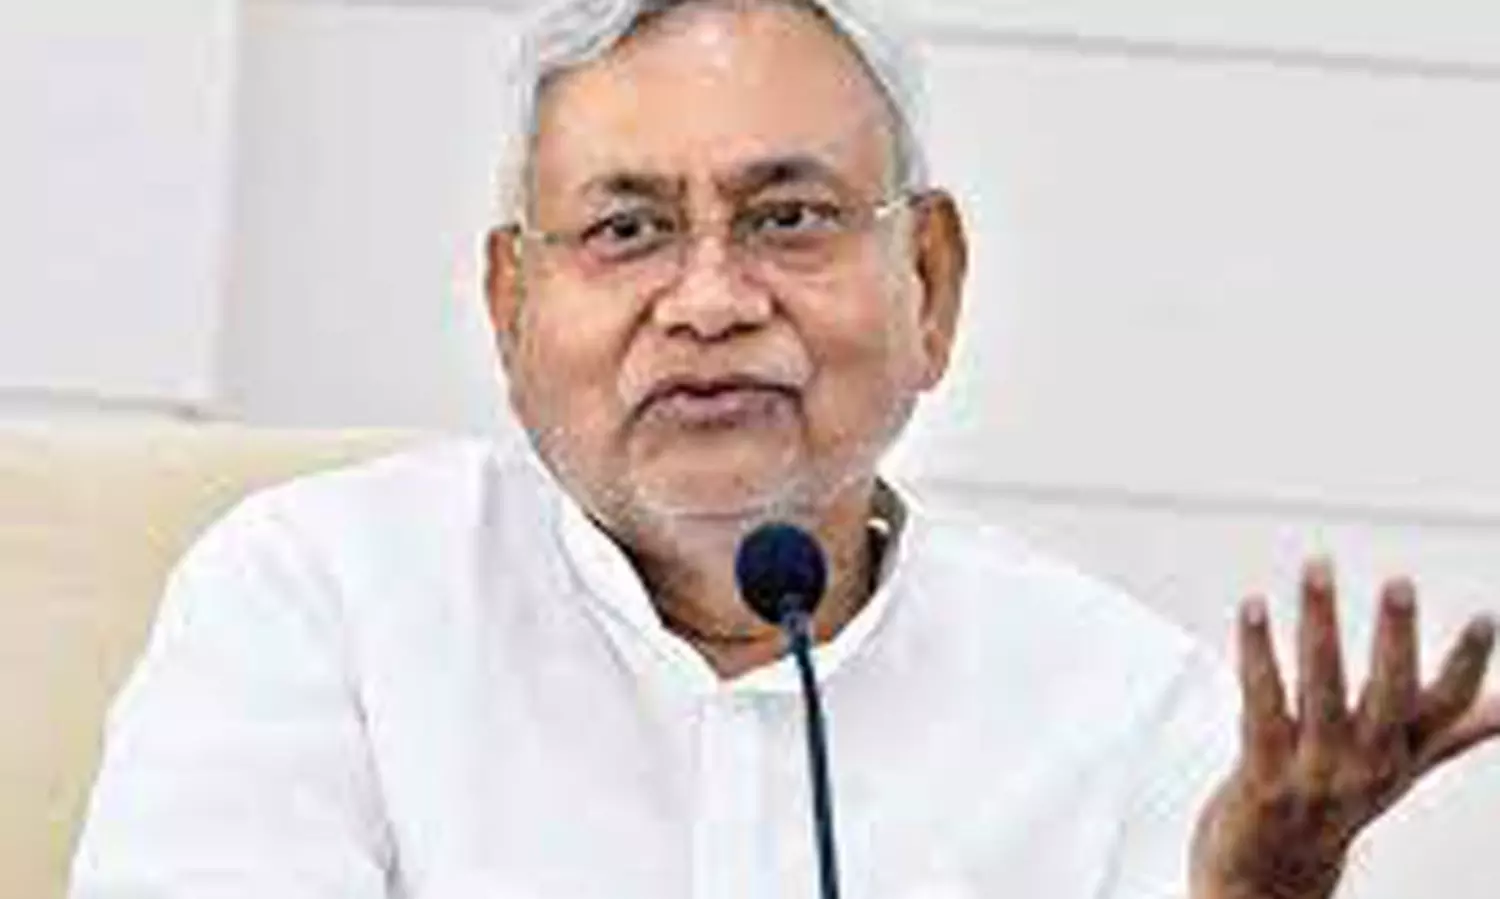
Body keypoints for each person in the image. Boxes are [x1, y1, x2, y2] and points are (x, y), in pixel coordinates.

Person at [70, 0, 1498, 896]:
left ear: (928, 283)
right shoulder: (319, 601)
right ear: (511, 306)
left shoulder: (1126, 715)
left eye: (789, 219)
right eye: (628, 228)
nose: (708, 300)